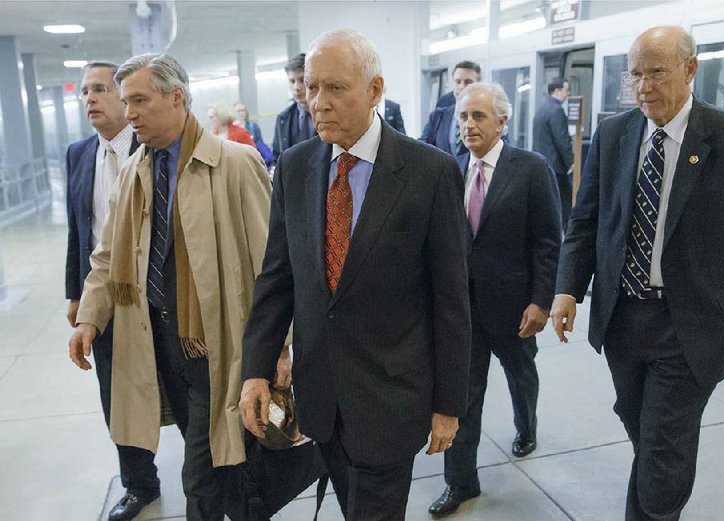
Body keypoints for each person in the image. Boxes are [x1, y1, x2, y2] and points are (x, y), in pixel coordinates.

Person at [550, 26, 724, 521]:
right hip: (623, 318)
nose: (643, 86)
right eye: (635, 74)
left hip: (693, 323)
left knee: (661, 449)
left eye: (656, 72)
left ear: (690, 69)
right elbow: (587, 220)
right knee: (643, 427)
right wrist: (567, 289)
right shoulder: (615, 134)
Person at [239, 29, 471, 521]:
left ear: (374, 89)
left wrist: (449, 404)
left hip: (393, 400)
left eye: (335, 88)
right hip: (321, 400)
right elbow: (277, 280)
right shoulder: (296, 167)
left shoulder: (429, 173)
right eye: (312, 88)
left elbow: (451, 300)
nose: (318, 103)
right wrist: (256, 370)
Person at [67, 53, 272, 521]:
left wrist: (280, 349)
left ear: (176, 97)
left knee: (200, 476)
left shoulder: (235, 165)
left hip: (216, 346)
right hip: (160, 345)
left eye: (139, 100)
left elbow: (271, 268)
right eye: (126, 101)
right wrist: (90, 317)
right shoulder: (134, 173)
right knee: (225, 463)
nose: (129, 112)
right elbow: (105, 257)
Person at [428, 83, 562, 517]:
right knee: (462, 396)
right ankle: (461, 483)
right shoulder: (450, 171)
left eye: (479, 116)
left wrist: (541, 301)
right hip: (463, 311)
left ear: (502, 122)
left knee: (521, 375)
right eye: (463, 117)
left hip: (515, 307)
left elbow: (547, 240)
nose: (469, 125)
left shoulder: (531, 168)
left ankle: (528, 425)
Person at [65, 61, 160, 521]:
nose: (91, 99)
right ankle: (139, 483)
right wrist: (76, 296)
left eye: (101, 89)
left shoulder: (156, 146)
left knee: (175, 387)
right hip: (107, 295)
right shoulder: (79, 154)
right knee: (115, 394)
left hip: (159, 294)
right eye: (85, 91)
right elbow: (78, 232)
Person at [532, 77, 574, 231]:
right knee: (563, 203)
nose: (567, 94)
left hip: (543, 164)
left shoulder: (542, 109)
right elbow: (562, 139)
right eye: (565, 90)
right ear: (557, 91)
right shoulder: (556, 110)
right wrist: (571, 161)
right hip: (556, 167)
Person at [420, 60, 481, 156]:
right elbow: (422, 147)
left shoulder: (488, 117)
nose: (461, 86)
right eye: (458, 81)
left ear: (478, 85)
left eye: (468, 82)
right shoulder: (438, 117)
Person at [271, 52, 316, 164]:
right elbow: (277, 156)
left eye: (302, 80)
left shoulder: (330, 113)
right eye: (292, 81)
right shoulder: (283, 119)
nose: (296, 87)